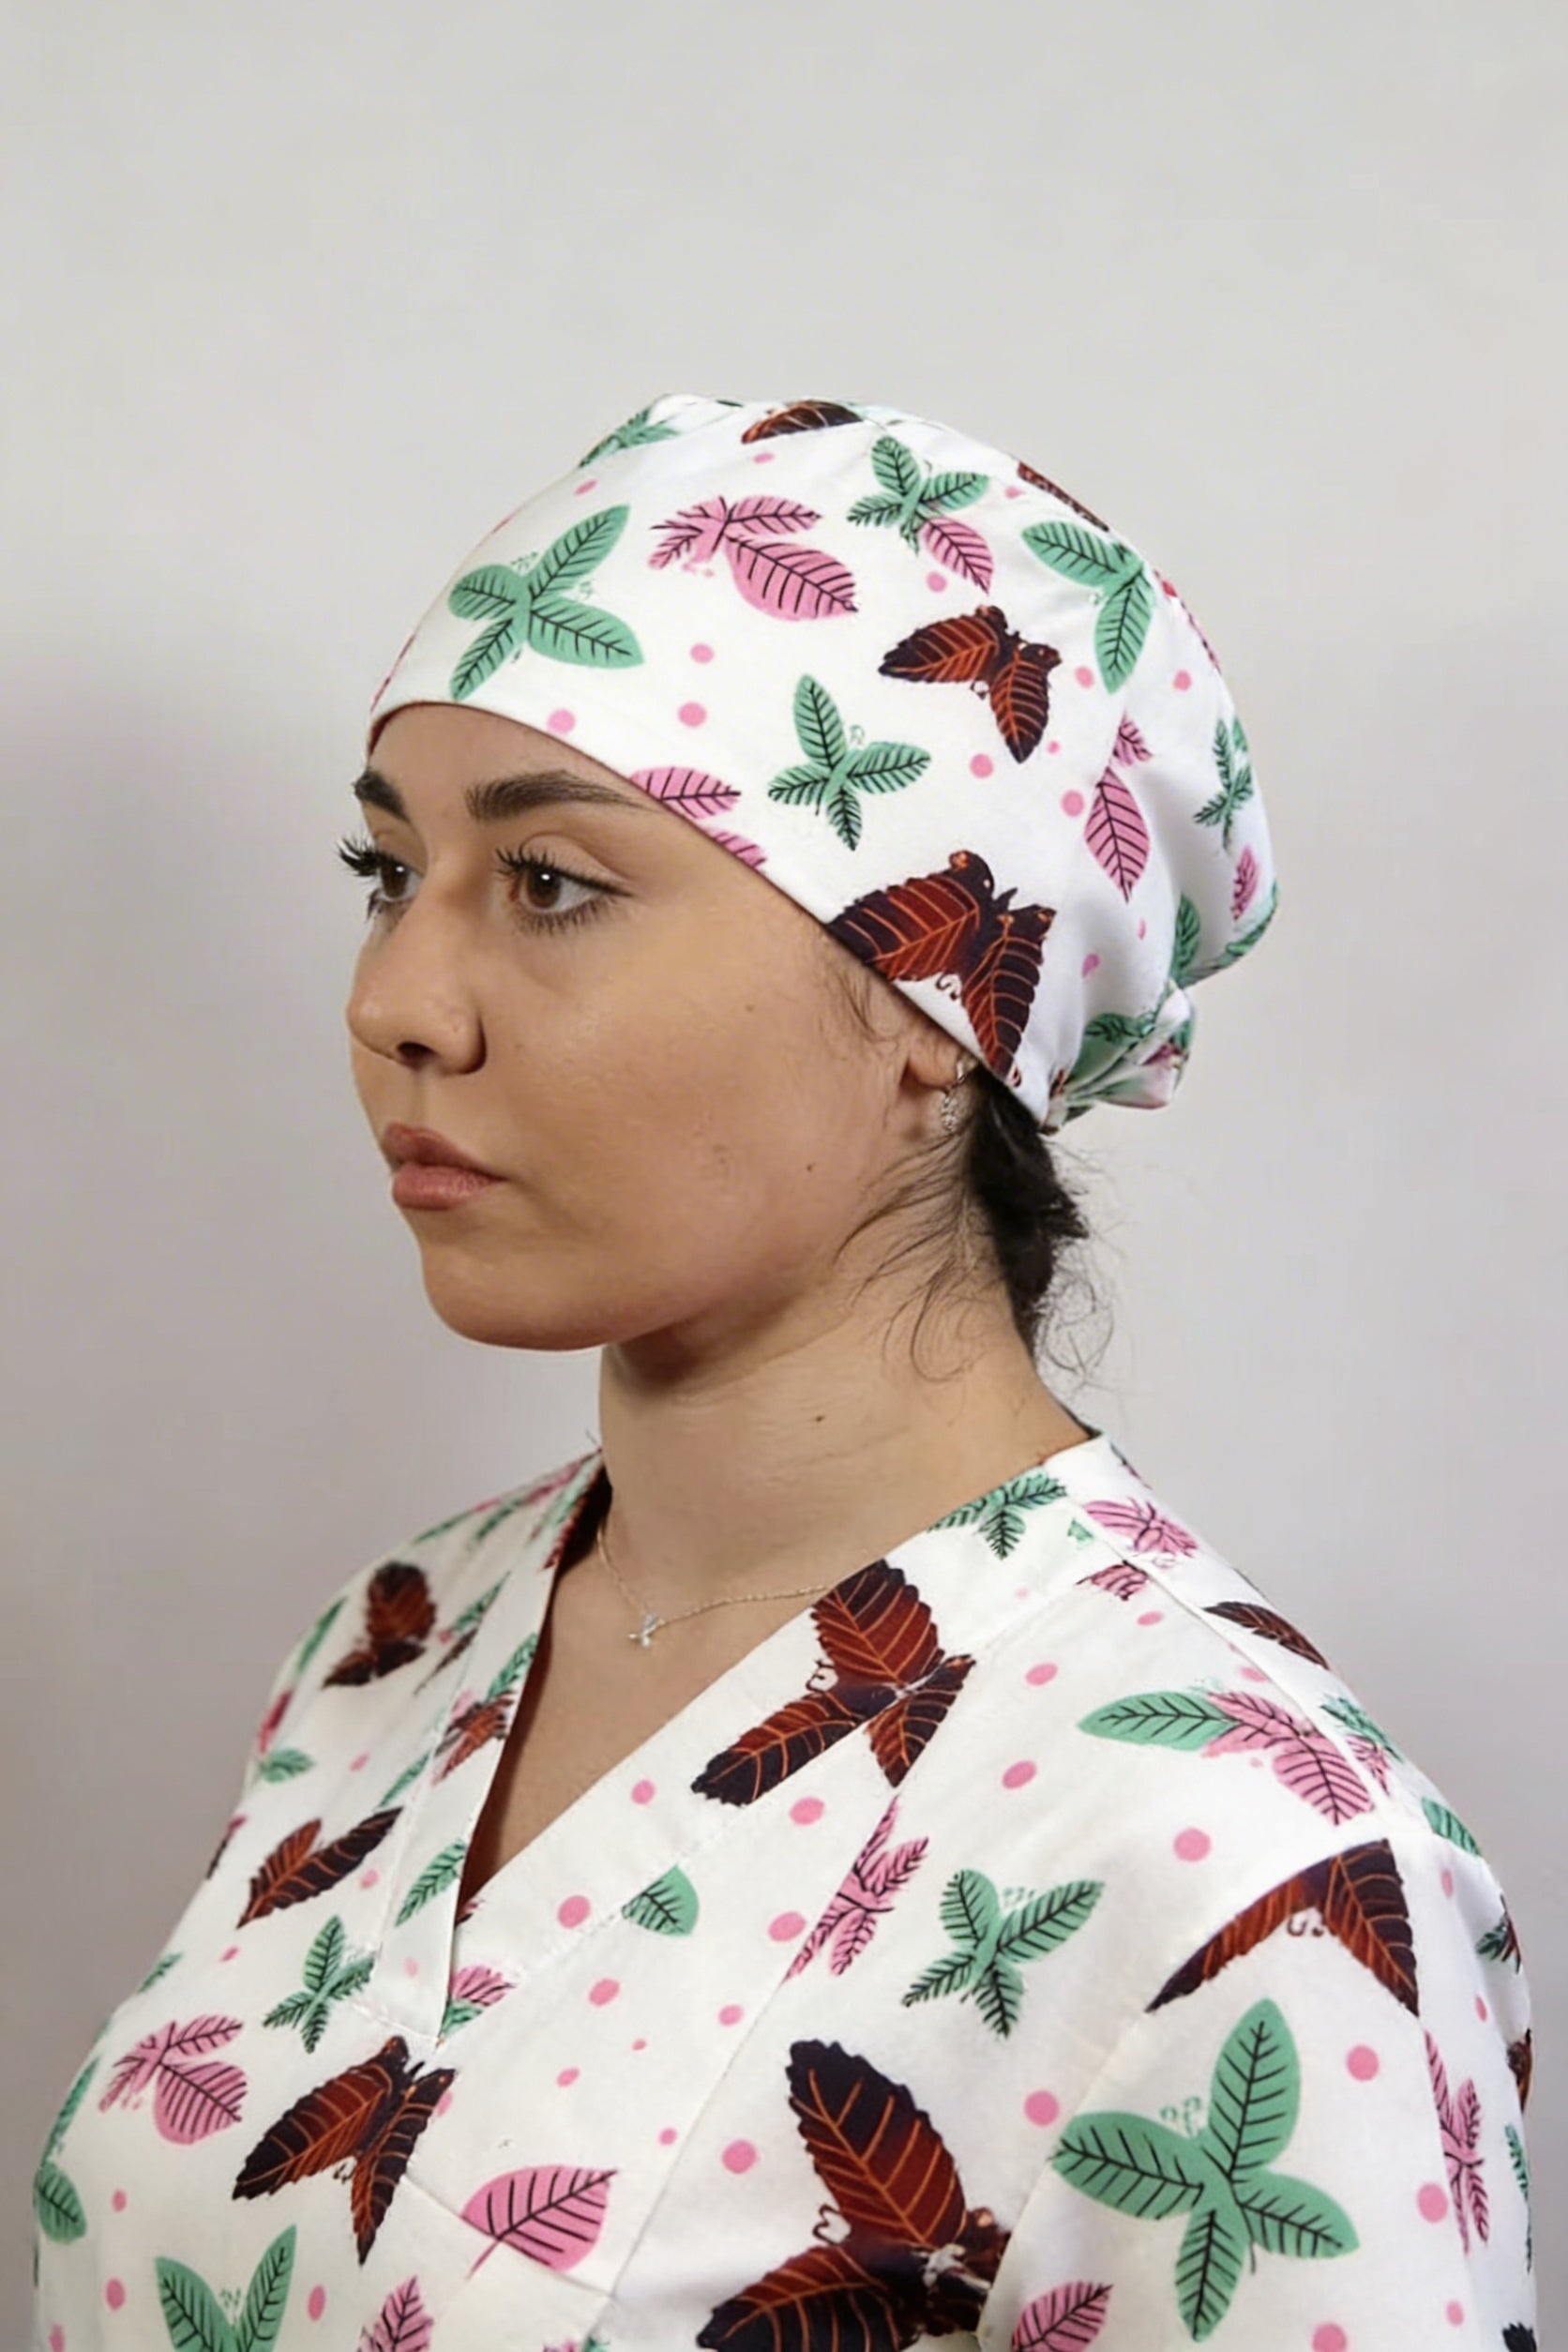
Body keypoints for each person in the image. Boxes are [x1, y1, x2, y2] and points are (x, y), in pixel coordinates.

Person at [33, 393, 1535, 2350]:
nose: (393, 1000)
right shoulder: (394, 1642)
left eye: (549, 882)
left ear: (934, 988)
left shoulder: (1251, 1879)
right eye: (384, 871)